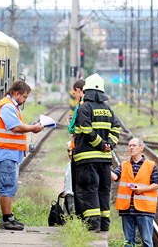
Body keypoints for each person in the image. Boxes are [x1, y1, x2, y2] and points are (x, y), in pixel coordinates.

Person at [0, 79, 43, 230]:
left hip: (8, 152)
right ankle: (7, 219)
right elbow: (16, 127)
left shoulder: (12, 106)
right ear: (16, 93)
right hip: (4, 152)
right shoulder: (7, 106)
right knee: (7, 185)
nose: (25, 100)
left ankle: (9, 216)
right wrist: (33, 128)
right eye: (24, 97)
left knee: (10, 184)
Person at [72, 73, 121, 232]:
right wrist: (109, 145)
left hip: (87, 159)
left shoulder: (84, 108)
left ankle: (93, 225)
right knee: (103, 190)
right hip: (105, 160)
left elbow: (86, 130)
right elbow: (116, 128)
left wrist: (101, 145)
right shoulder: (108, 110)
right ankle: (105, 224)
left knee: (89, 189)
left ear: (87, 91)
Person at [111, 138, 158, 247]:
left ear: (141, 148)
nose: (131, 148)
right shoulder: (124, 165)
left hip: (144, 209)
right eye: (129, 146)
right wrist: (103, 166)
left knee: (147, 242)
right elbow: (115, 177)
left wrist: (141, 190)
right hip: (127, 209)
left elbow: (156, 184)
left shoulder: (151, 165)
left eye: (133, 145)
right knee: (128, 242)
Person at [67, 79, 85, 216]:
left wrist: (70, 124)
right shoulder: (97, 105)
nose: (75, 95)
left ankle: (79, 215)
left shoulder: (80, 105)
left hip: (80, 152)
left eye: (75, 92)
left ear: (79, 90)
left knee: (79, 186)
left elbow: (72, 128)